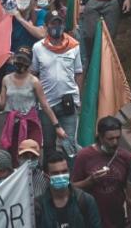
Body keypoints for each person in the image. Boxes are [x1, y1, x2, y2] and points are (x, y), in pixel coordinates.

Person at [0, 46, 66, 164]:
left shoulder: (34, 81)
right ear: (14, 60)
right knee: (14, 158)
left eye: (25, 61)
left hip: (31, 124)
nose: (21, 63)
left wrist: (57, 126)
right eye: (19, 59)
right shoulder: (6, 79)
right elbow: (2, 104)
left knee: (32, 156)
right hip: (13, 124)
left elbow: (45, 105)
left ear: (30, 64)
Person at [31, 14, 83, 156]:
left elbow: (78, 73)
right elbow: (34, 73)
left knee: (69, 144)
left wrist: (78, 97)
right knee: (49, 145)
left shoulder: (74, 46)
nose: (56, 27)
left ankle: (71, 177)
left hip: (69, 102)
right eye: (53, 24)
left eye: (59, 23)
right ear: (46, 27)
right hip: (47, 104)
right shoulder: (37, 48)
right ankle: (49, 176)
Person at [71, 116, 131, 228]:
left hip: (117, 220)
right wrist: (89, 182)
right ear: (100, 137)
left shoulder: (125, 157)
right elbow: (72, 188)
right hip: (90, 220)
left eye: (118, 138)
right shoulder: (84, 156)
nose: (115, 142)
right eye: (110, 139)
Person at [35, 151, 102, 227]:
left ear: (69, 172)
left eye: (64, 171)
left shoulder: (85, 200)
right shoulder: (38, 206)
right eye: (55, 173)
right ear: (46, 176)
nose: (61, 176)